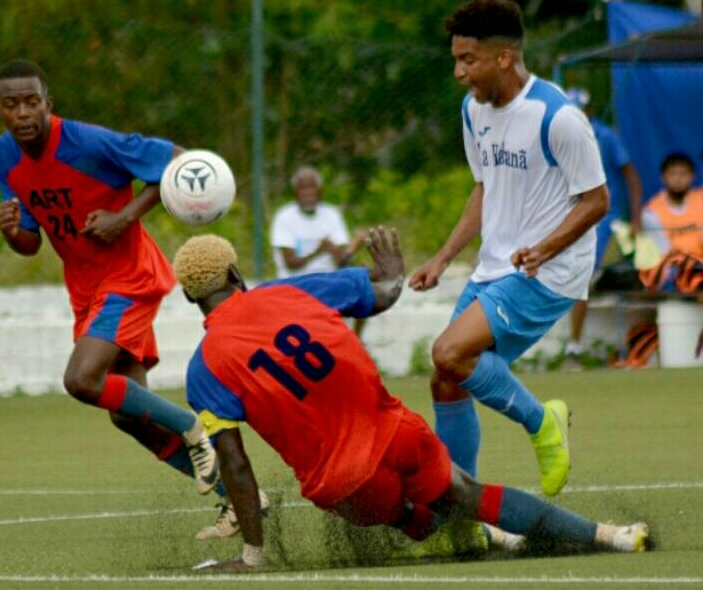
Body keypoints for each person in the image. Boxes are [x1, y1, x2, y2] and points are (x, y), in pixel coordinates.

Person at [173, 228, 649, 569]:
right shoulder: (286, 291)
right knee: (468, 495)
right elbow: (381, 295)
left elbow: (234, 465)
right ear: (235, 271)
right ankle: (608, 537)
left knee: (407, 516)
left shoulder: (202, 370)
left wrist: (252, 556)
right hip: (395, 434)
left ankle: (452, 533)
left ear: (193, 299)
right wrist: (393, 273)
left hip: (343, 488)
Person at [0, 58, 236, 538]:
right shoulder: (4, 157)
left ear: (48, 104)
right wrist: (10, 233)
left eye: (32, 102)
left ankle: (192, 428)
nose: (24, 113)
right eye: (12, 104)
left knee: (82, 380)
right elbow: (31, 241)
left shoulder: (87, 142)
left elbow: (180, 160)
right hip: (86, 289)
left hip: (129, 277)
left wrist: (124, 217)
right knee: (128, 415)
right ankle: (238, 499)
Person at [408, 0, 609, 495]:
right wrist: (444, 255)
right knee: (446, 378)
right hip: (496, 267)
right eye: (456, 59)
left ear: (503, 57)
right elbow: (485, 188)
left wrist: (544, 248)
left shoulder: (556, 116)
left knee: (449, 352)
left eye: (467, 60)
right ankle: (462, 504)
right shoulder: (473, 112)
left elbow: (597, 201)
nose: (458, 72)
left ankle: (543, 424)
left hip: (548, 272)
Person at [562, 88, 645, 370]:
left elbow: (631, 175)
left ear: (587, 112)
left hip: (605, 221)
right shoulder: (558, 137)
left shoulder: (605, 136)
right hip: (573, 218)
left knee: (583, 279)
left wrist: (635, 218)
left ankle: (575, 348)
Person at [270, 165, 367, 336]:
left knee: (364, 284)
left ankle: (356, 342)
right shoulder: (284, 217)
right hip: (295, 285)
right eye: (302, 188)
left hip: (328, 281)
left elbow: (342, 261)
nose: (307, 193)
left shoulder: (331, 214)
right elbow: (290, 263)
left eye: (311, 187)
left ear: (320, 192)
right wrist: (319, 250)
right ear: (295, 193)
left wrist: (353, 246)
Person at [641, 152, 703, 257]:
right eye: (672, 174)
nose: (678, 179)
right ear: (663, 177)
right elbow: (663, 253)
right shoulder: (650, 212)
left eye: (683, 174)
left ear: (692, 176)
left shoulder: (700, 199)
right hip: (673, 269)